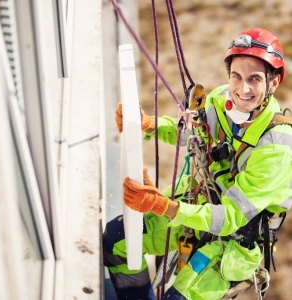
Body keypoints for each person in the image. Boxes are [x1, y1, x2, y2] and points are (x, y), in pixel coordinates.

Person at [103, 28, 292, 300]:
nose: (243, 89)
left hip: (234, 242)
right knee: (116, 239)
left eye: (255, 79)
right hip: (200, 203)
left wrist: (165, 207)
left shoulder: (276, 149)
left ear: (273, 83)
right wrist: (149, 125)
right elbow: (194, 134)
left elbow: (229, 218)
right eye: (236, 76)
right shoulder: (220, 101)